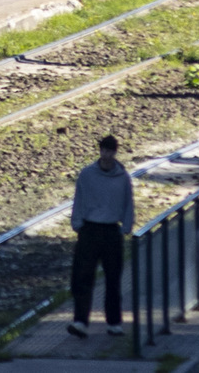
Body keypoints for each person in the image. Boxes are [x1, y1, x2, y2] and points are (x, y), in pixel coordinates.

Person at [69, 135, 134, 336]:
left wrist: (126, 226)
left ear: (115, 152)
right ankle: (80, 321)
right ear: (100, 151)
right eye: (103, 150)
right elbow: (79, 198)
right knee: (82, 277)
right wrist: (77, 223)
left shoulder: (122, 178)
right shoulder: (87, 174)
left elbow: (128, 202)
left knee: (113, 279)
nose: (106, 155)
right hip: (89, 229)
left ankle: (114, 322)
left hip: (111, 230)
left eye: (109, 151)